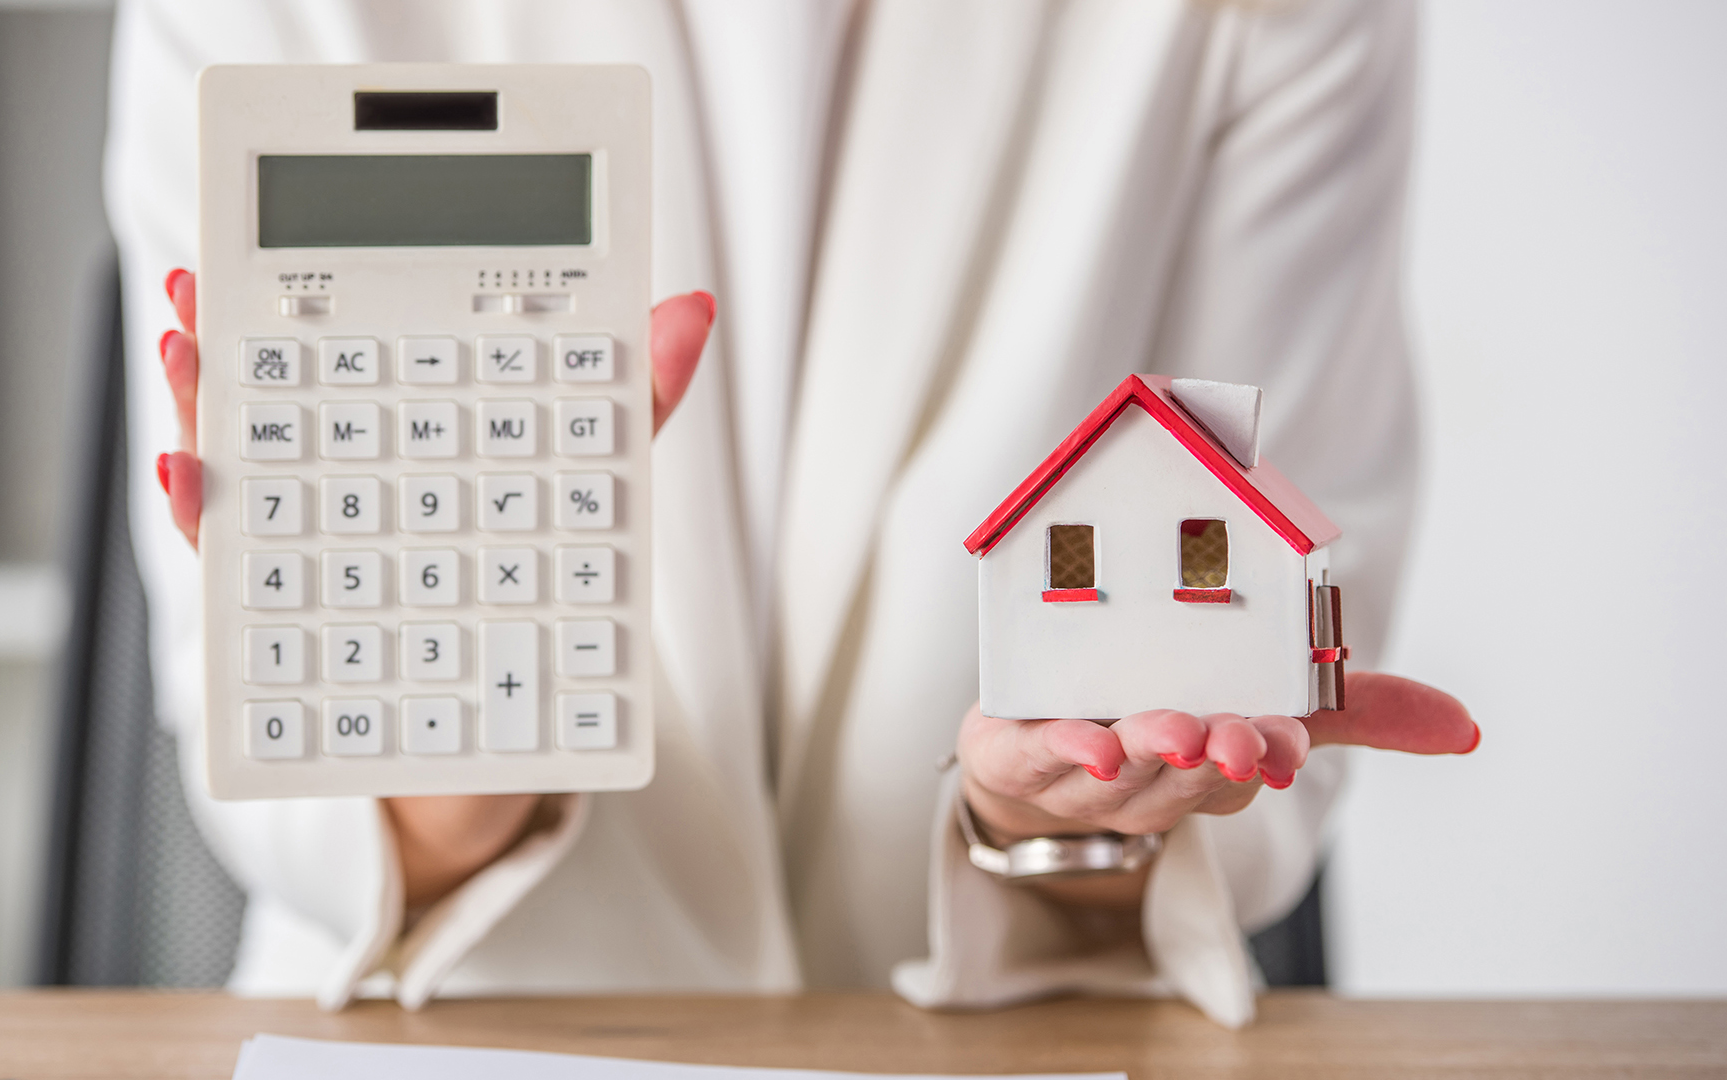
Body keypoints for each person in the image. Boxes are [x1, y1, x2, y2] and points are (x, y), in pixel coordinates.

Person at [111, 0, 1476, 1027]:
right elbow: (259, 759)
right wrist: (453, 755)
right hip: (463, 1020)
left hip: (996, 1032)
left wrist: (1062, 833)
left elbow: (1254, 537)